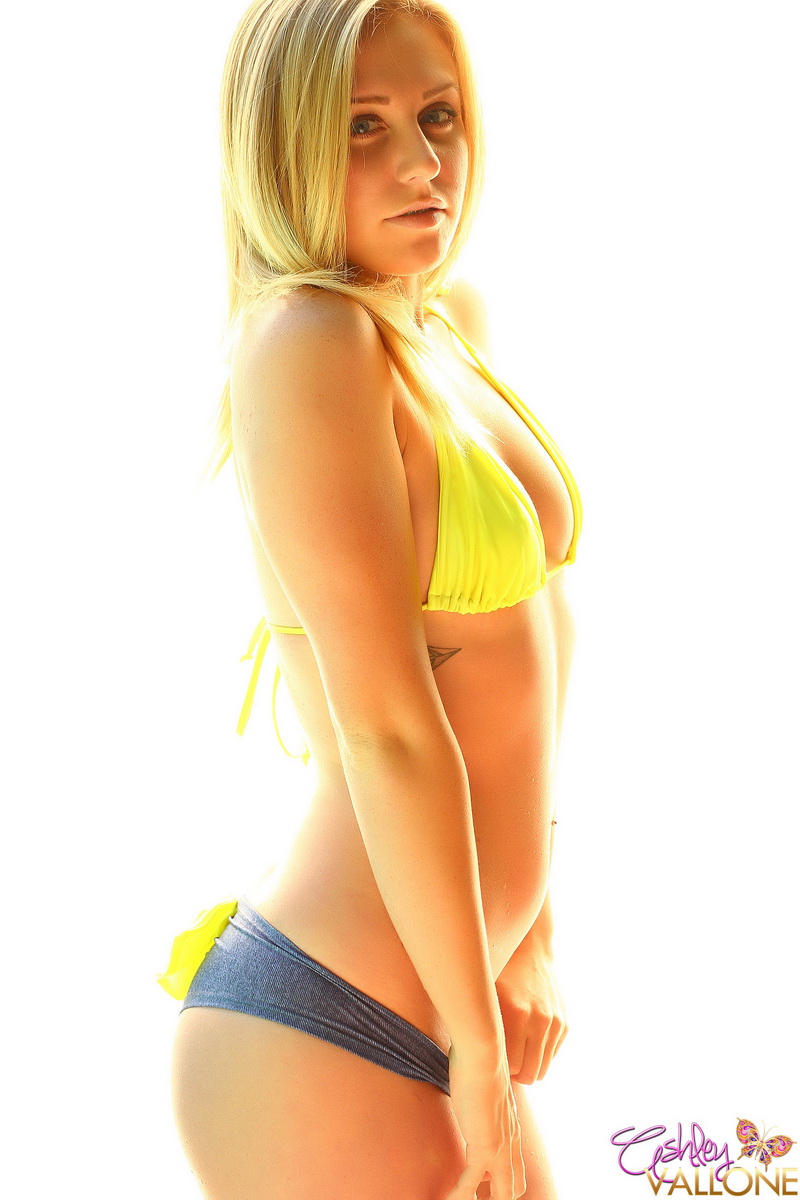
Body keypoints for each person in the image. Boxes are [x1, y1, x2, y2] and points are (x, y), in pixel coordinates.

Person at [159, 1, 581, 1196]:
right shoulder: (306, 341)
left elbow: (531, 659)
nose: (421, 164)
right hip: (327, 1021)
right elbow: (387, 725)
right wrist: (477, 1059)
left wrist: (531, 936)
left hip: (456, 998)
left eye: (437, 117)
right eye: (362, 127)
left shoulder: (440, 323)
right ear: (281, 146)